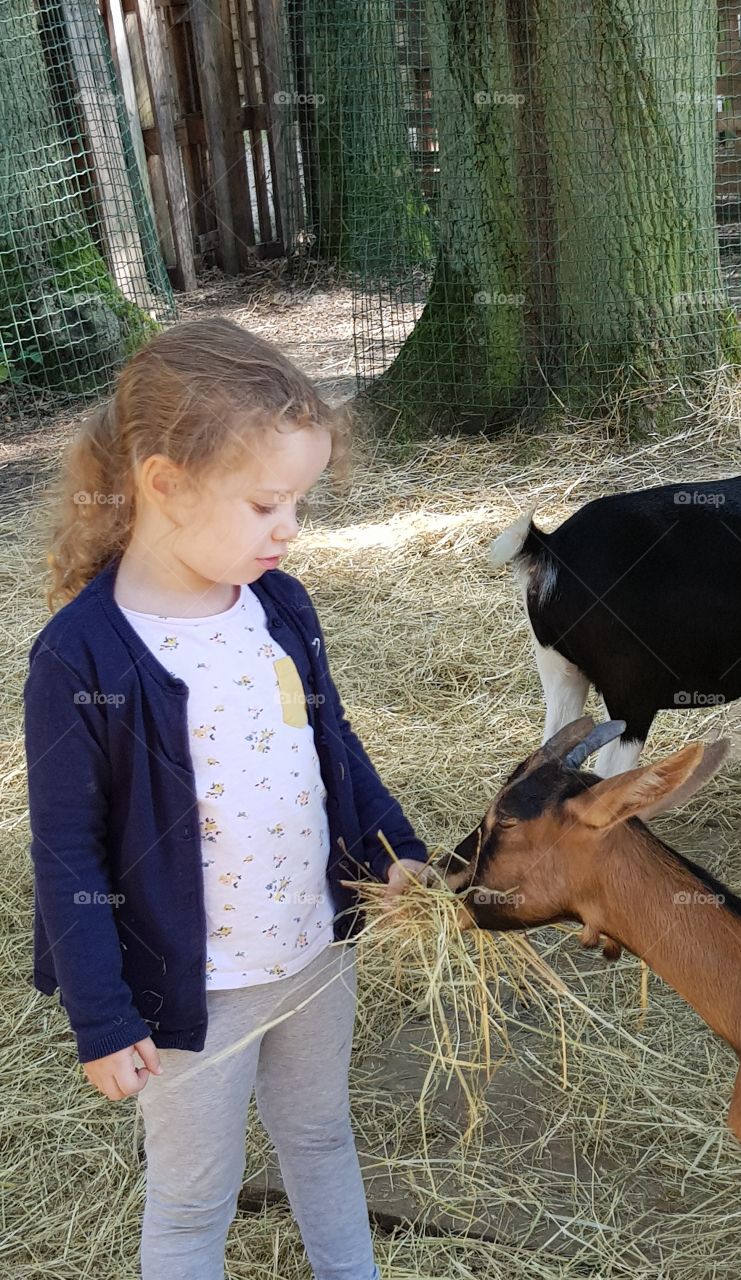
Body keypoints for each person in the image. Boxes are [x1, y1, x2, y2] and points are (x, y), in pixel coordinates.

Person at [23, 317, 429, 1279]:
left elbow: (334, 751)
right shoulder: (83, 656)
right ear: (164, 483)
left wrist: (391, 852)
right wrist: (104, 1019)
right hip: (187, 994)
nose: (289, 528)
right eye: (264, 503)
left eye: (299, 500)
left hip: (313, 957)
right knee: (194, 1196)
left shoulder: (279, 606)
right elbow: (67, 853)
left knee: (324, 1142)